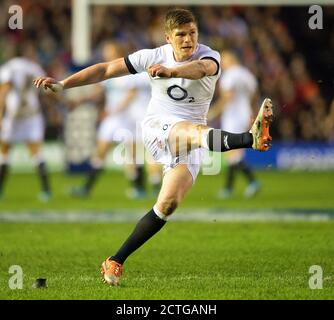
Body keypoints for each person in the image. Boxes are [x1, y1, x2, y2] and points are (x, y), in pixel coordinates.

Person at [34, 8, 273, 285]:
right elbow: (106, 69)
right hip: (159, 127)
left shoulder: (210, 56)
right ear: (168, 38)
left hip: (193, 139)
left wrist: (171, 71)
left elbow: (200, 70)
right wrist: (64, 84)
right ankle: (249, 138)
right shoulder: (152, 55)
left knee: (167, 205)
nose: (188, 40)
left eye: (192, 33)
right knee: (192, 131)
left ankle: (115, 260)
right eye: (181, 35)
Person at [70, 41, 161, 199]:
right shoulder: (110, 70)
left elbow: (132, 94)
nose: (106, 53)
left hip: (125, 118)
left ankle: (140, 188)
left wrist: (114, 110)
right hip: (114, 118)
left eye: (109, 50)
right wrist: (80, 100)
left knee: (132, 155)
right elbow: (99, 91)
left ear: (118, 52)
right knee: (101, 152)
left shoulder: (128, 72)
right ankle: (87, 187)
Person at [0, 44, 52, 201]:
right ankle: (46, 191)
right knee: (37, 154)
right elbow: (47, 89)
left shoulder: (8, 68)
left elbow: (4, 91)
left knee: (4, 154)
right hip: (32, 115)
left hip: (13, 116)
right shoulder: (33, 67)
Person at [209, 50, 261, 199]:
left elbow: (228, 97)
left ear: (230, 60)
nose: (221, 65)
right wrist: (252, 113)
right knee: (233, 153)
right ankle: (228, 188)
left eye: (223, 61)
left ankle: (252, 181)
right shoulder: (248, 75)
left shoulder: (229, 75)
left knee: (232, 153)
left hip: (233, 116)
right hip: (245, 115)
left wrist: (213, 112)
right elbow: (255, 95)